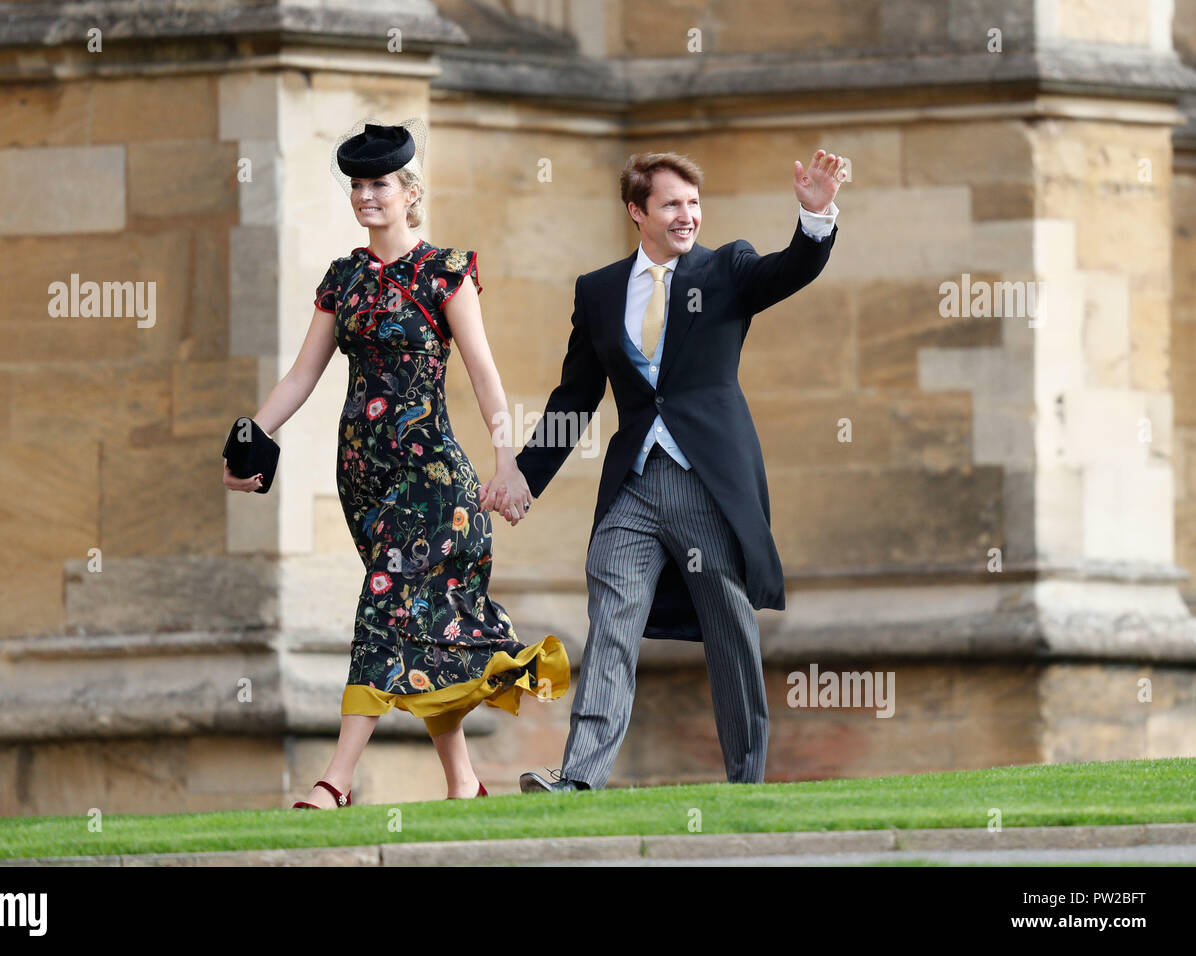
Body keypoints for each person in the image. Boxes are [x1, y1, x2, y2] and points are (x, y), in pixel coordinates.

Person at [224, 119, 568, 808]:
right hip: (364, 479)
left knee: (384, 605)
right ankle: (465, 784)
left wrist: (508, 463)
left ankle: (335, 780)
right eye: (356, 185)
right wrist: (249, 435)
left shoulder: (445, 271)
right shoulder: (343, 279)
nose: (365, 196)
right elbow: (300, 377)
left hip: (435, 479)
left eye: (379, 184)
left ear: (410, 192)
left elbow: (484, 375)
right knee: (418, 621)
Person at [499, 148, 846, 792]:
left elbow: (791, 269)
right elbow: (575, 396)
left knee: (728, 627)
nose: (686, 216)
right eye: (671, 204)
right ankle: (579, 778)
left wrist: (816, 215)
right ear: (638, 212)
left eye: (693, 203)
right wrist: (526, 474)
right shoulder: (598, 290)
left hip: (706, 483)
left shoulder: (727, 268)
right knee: (611, 617)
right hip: (632, 484)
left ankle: (747, 779)